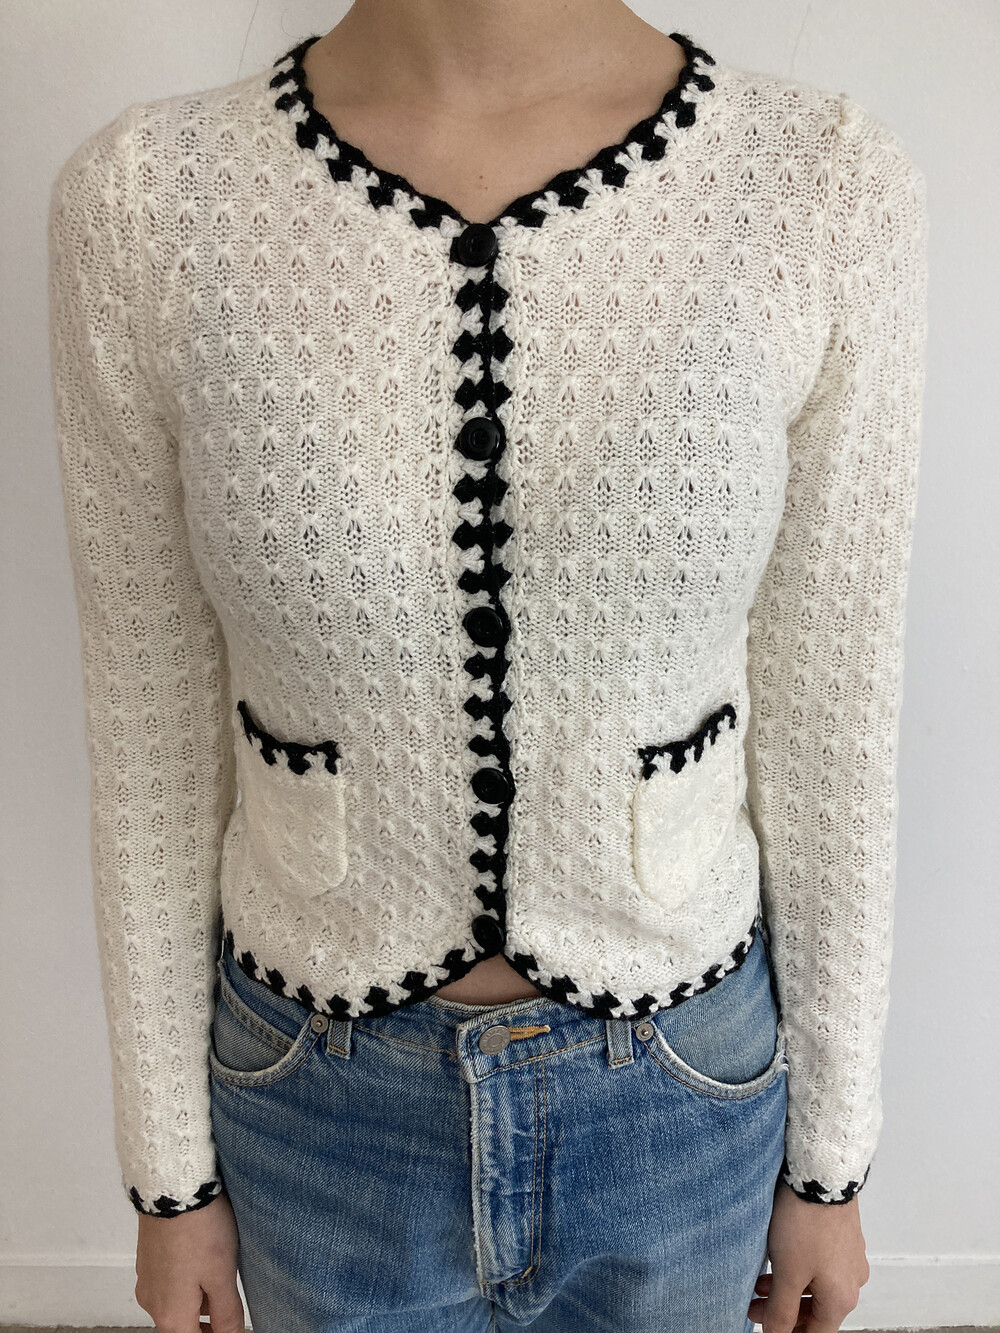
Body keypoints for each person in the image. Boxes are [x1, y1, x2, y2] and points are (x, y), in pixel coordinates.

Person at [47, 1, 928, 1330]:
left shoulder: (823, 187)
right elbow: (146, 744)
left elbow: (835, 728)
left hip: (684, 1098)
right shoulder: (144, 204)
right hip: (312, 1102)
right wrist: (168, 1177)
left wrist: (833, 1160)